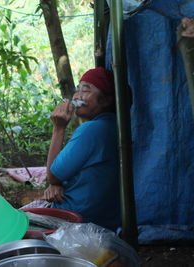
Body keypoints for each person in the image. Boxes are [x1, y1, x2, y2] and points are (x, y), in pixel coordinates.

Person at [24, 67, 121, 231]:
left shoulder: (92, 130)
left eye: (86, 90)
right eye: (77, 90)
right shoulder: (115, 126)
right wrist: (56, 184)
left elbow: (53, 175)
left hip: (74, 217)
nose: (77, 96)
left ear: (106, 100)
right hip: (105, 220)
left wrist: (58, 128)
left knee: (11, 221)